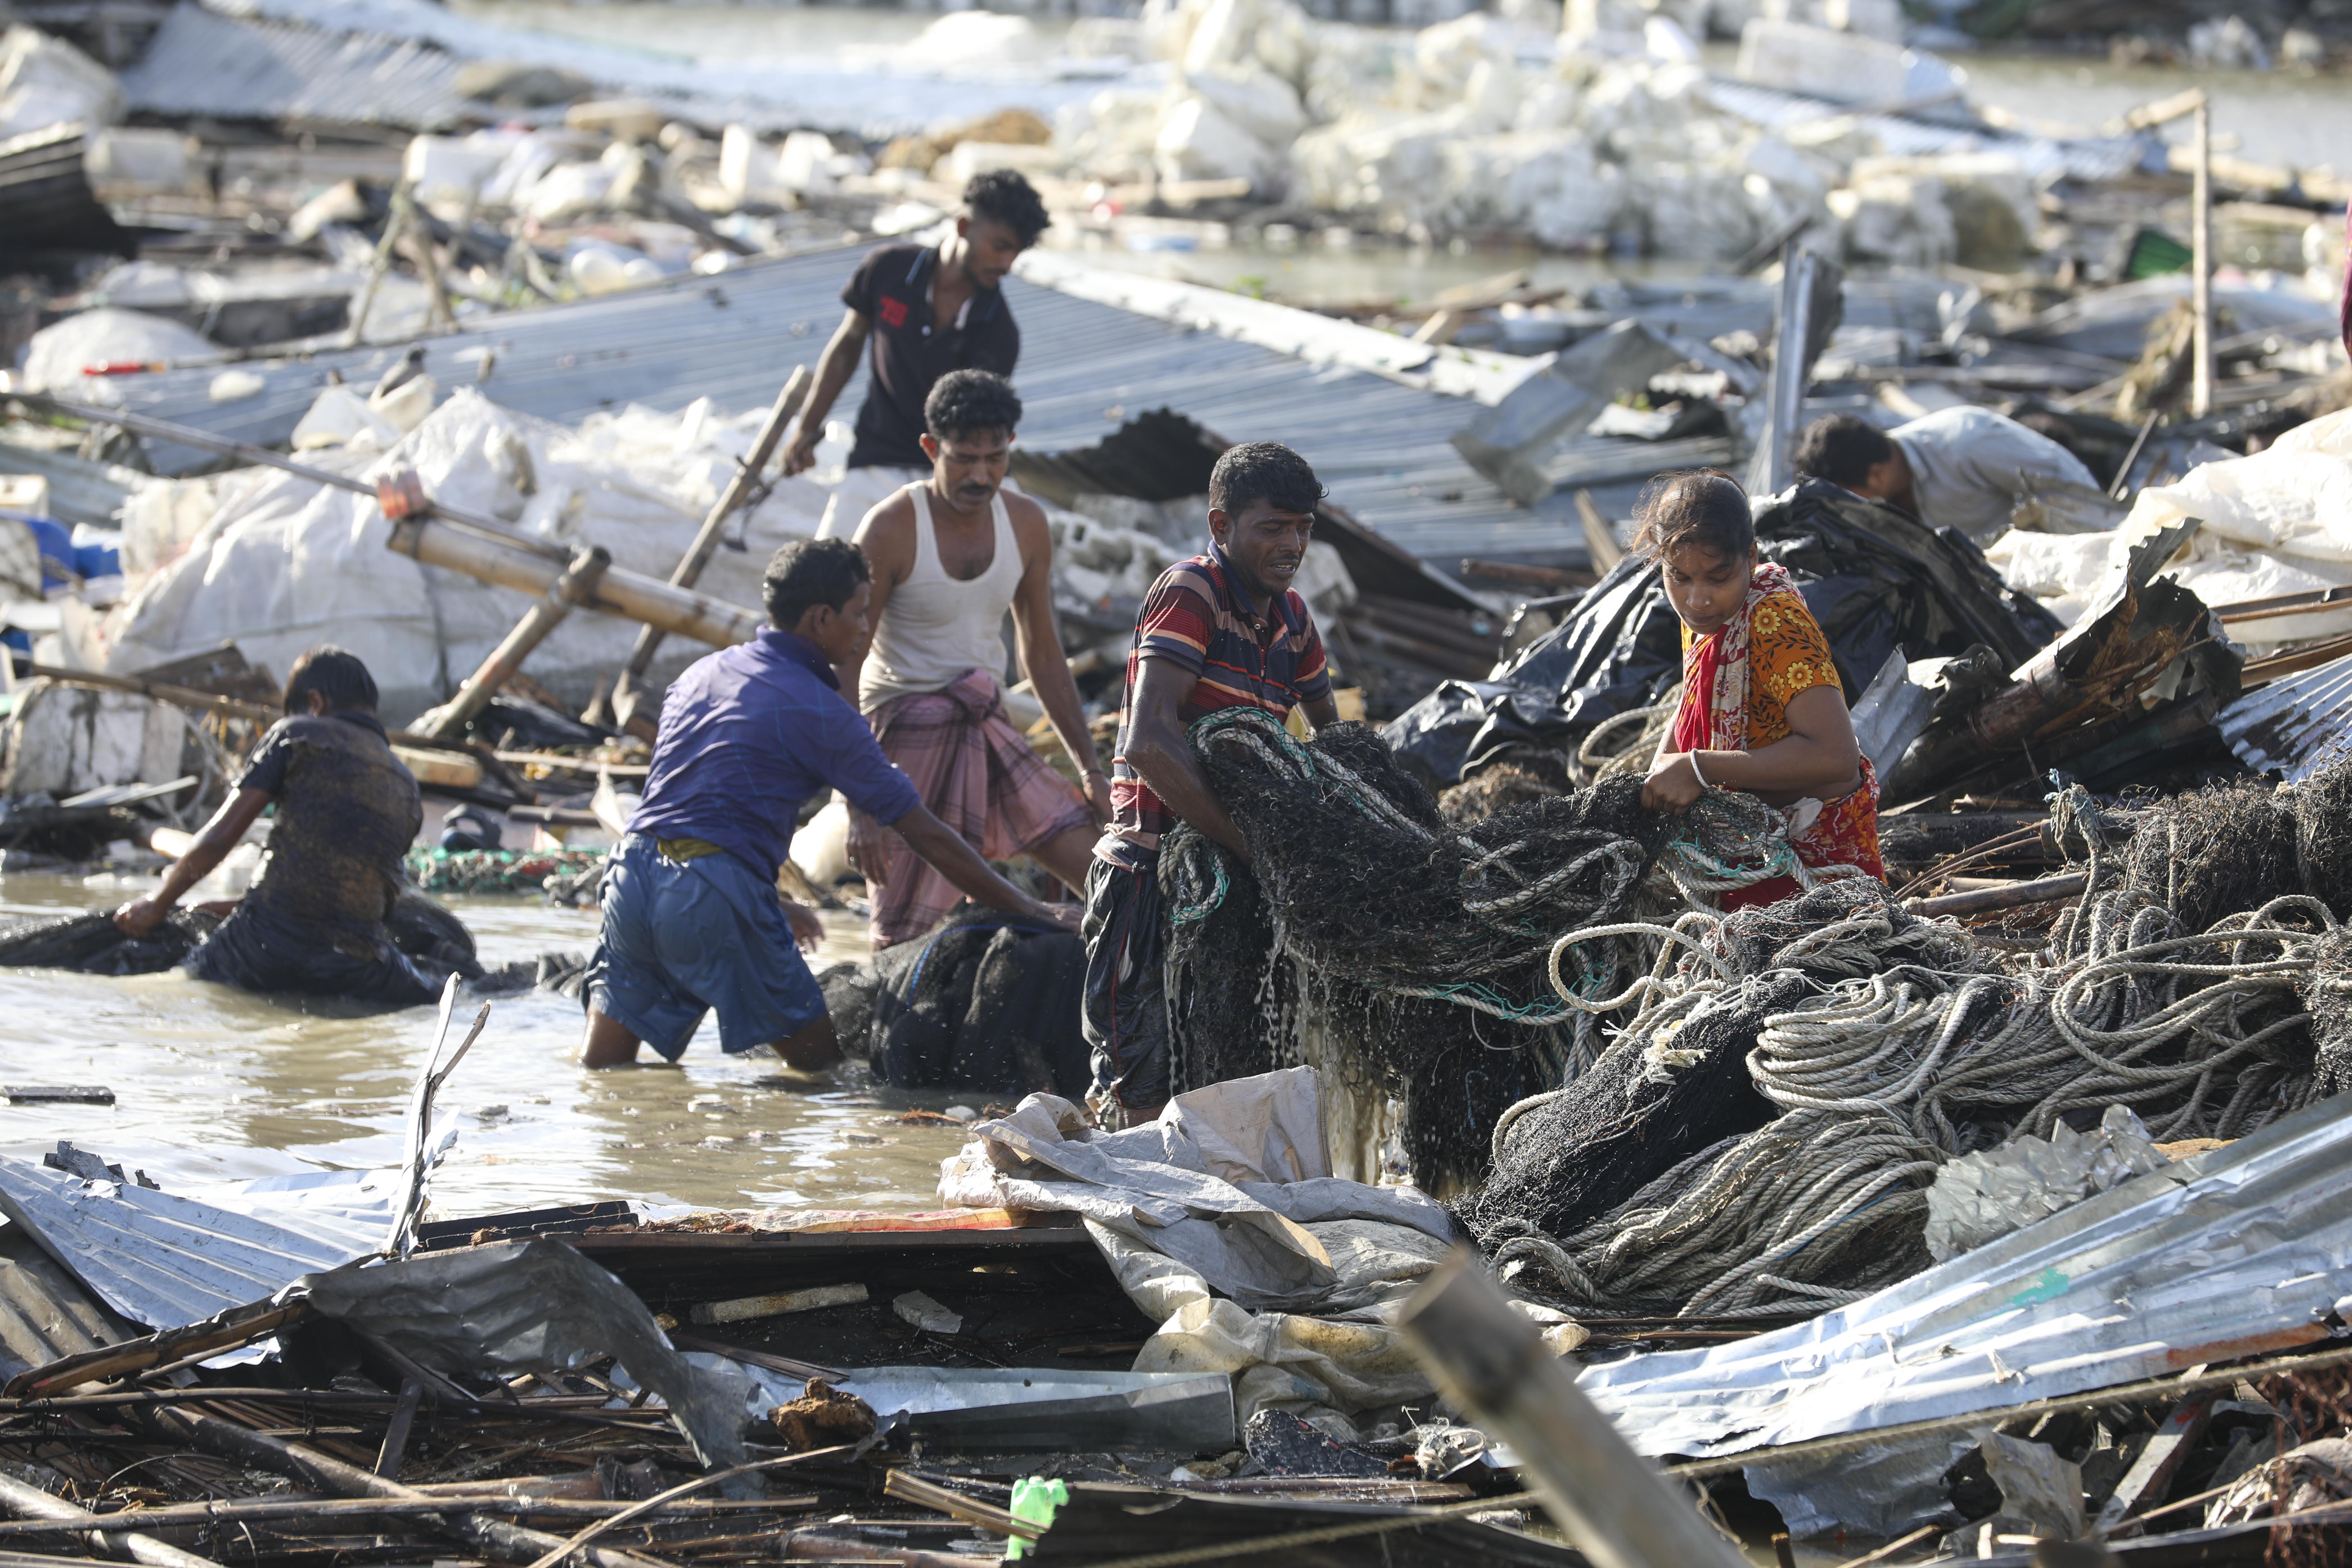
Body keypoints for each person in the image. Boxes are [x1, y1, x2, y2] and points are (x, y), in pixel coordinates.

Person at [579, 537, 1071, 1071]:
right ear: (819, 618)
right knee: (823, 1073)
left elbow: (696, 806)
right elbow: (925, 833)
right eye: (859, 613)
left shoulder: (701, 674)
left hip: (631, 876)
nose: (866, 628)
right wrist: (1031, 910)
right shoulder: (820, 708)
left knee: (605, 1073)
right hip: (713, 890)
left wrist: (764, 899)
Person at [1084, 442, 1340, 1126]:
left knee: (1234, 1082)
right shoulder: (1192, 591)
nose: (1292, 545)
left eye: (1304, 528)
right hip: (1150, 870)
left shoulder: (1293, 620)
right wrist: (1253, 847)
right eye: (1273, 528)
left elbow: (1336, 745)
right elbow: (1148, 741)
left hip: (1237, 876)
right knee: (1142, 1089)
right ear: (1222, 526)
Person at [837, 369, 1107, 948]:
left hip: (986, 723)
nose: (980, 476)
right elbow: (846, 665)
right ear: (931, 450)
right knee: (904, 938)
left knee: (1108, 878)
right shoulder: (890, 528)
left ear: (1010, 447)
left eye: (994, 457)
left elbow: (1041, 651)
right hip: (905, 731)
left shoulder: (1027, 524)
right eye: (962, 459)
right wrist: (856, 801)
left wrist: (1089, 768)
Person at [113, 646, 449, 1003]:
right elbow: (355, 895)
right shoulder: (405, 785)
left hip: (258, 954)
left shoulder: (298, 734)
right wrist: (231, 906)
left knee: (166, 987)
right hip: (353, 971)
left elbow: (219, 839)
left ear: (315, 702)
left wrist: (157, 905)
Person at [1636, 471, 1882, 912]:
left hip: (1810, 861)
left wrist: (1697, 768)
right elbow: (1696, 696)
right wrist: (1663, 763)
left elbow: (1835, 755)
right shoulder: (1709, 618)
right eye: (1679, 577)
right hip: (1744, 852)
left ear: (1749, 556)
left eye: (1717, 577)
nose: (1697, 599)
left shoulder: (1774, 622)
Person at [784, 171, 1051, 541]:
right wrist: (806, 427)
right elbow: (847, 347)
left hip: (943, 483)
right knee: (828, 580)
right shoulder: (887, 270)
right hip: (873, 460)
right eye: (1000, 245)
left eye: (1016, 253)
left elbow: (979, 434)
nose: (1007, 264)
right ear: (963, 226)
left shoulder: (999, 334)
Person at [1793, 408, 2098, 543]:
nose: (1846, 509)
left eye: (1848, 496)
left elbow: (2073, 488)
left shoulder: (1966, 443)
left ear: (1875, 477)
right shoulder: (1882, 495)